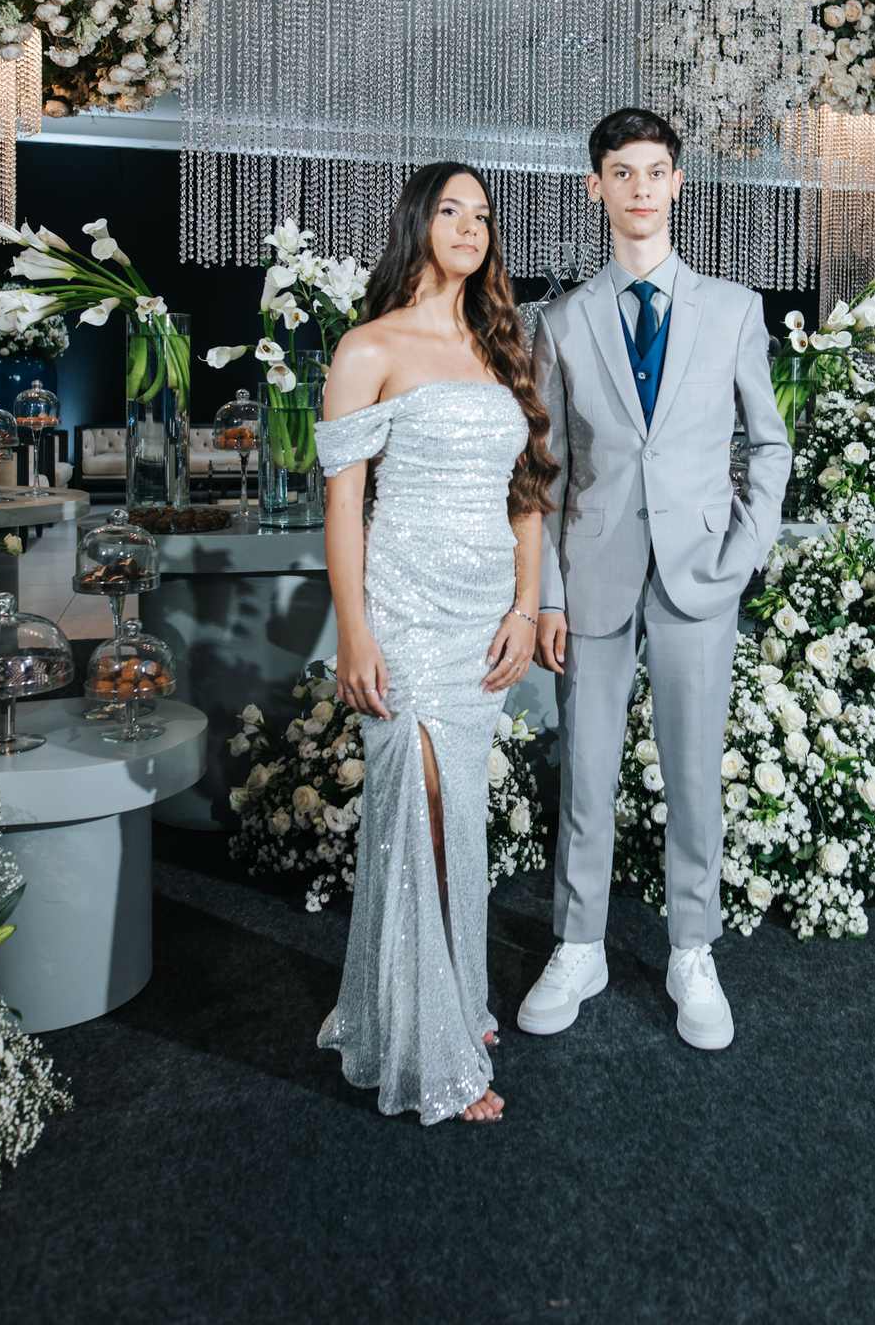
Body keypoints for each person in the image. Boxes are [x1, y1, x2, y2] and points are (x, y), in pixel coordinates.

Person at [520, 108, 791, 1051]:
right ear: (596, 187)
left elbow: (769, 443)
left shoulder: (733, 310)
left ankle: (691, 949)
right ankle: (579, 944)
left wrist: (744, 548)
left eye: (655, 171)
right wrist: (546, 596)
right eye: (622, 172)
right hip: (590, 575)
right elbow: (546, 473)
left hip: (700, 576)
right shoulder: (560, 322)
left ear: (677, 182)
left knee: (693, 774)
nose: (641, 187)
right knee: (586, 774)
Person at [315, 163, 557, 1124]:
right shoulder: (368, 347)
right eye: (452, 210)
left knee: (458, 813)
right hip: (405, 612)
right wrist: (354, 631)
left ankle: (452, 995)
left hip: (483, 618)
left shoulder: (500, 347)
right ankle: (430, 1054)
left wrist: (526, 608)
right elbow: (343, 506)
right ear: (418, 221)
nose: (470, 226)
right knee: (415, 806)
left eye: (483, 215)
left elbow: (527, 497)